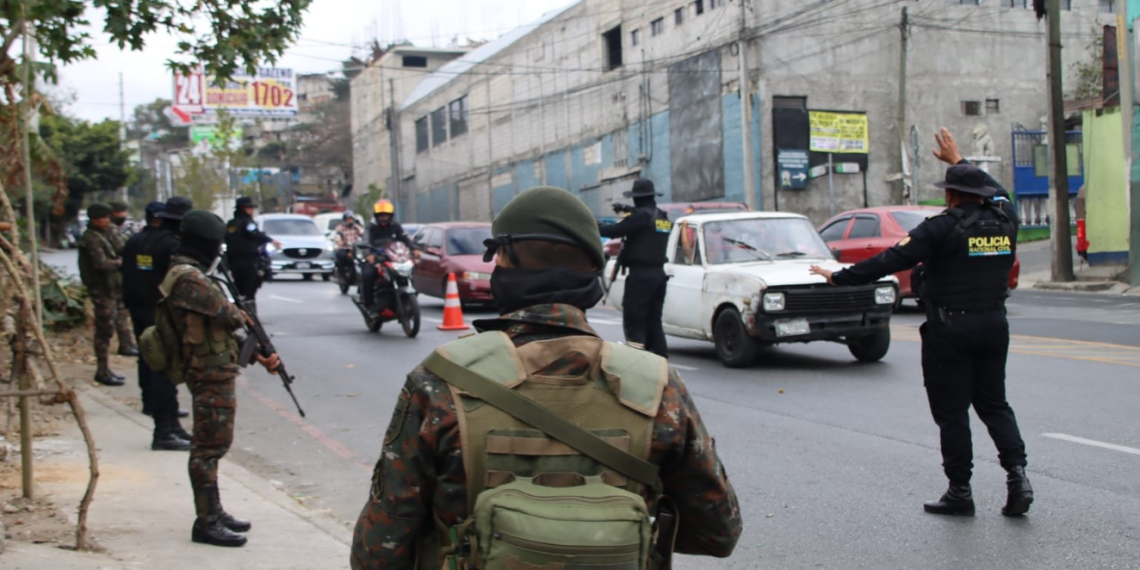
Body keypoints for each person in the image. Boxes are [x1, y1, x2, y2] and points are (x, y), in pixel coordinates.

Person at [350, 186, 741, 570]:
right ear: (594, 269)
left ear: (501, 263)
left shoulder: (440, 384)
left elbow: (379, 553)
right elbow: (718, 532)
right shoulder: (656, 386)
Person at [809, 128, 1032, 517]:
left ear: (948, 195)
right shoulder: (1005, 219)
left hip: (951, 331)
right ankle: (1018, 477)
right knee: (995, 405)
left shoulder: (941, 228)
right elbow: (1000, 191)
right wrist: (960, 160)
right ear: (982, 196)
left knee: (952, 412)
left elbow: (889, 262)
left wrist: (839, 277)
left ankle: (960, 492)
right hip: (995, 325)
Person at [164, 209, 280, 547]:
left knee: (213, 444)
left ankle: (214, 510)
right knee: (208, 447)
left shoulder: (192, 274)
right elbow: (229, 315)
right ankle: (206, 520)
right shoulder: (189, 278)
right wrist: (241, 312)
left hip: (214, 366)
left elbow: (222, 324)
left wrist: (257, 354)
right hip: (207, 371)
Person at [121, 197, 194, 451]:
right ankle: (164, 430)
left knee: (149, 361)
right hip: (161, 314)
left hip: (138, 309)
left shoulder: (135, 241)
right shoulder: (172, 246)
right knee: (165, 370)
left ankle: (168, 422)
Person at [598, 178, 672, 358]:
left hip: (641, 278)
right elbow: (645, 217)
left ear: (637, 198)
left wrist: (592, 223)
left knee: (635, 323)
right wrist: (626, 210)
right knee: (654, 323)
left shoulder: (639, 217)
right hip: (658, 275)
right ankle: (662, 363)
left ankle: (636, 361)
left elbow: (613, 231)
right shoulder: (662, 217)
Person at [78, 203, 132, 385]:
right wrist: (120, 263)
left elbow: (121, 246)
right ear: (95, 219)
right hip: (101, 290)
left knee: (113, 324)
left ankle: (106, 369)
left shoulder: (105, 234)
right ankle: (102, 370)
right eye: (105, 218)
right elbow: (100, 264)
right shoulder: (92, 238)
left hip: (111, 289)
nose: (108, 221)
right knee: (104, 330)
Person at [224, 196, 279, 316]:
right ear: (244, 209)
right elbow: (255, 235)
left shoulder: (231, 224)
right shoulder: (247, 223)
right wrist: (271, 241)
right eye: (250, 208)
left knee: (239, 289)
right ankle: (250, 314)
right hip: (249, 261)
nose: (252, 211)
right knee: (250, 290)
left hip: (234, 261)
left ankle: (240, 312)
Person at [360, 199, 413, 310]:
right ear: (377, 216)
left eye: (386, 215)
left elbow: (405, 238)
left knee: (409, 271)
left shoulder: (396, 226)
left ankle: (407, 297)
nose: (384, 218)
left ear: (390, 216)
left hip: (394, 259)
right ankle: (369, 305)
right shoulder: (371, 227)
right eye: (381, 215)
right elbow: (365, 241)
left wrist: (414, 249)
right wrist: (368, 255)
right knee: (367, 275)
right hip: (377, 259)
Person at [332, 210, 365, 275]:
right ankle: (342, 274)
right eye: (348, 219)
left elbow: (363, 233)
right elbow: (337, 236)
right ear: (345, 219)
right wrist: (340, 241)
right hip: (344, 248)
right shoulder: (340, 228)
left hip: (355, 248)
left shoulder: (356, 227)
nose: (350, 221)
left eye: (351, 219)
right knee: (342, 256)